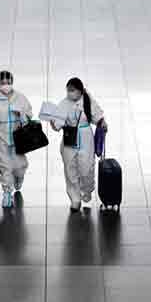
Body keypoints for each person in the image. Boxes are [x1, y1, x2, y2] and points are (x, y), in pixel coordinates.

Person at [49, 78, 106, 212]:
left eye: (72, 90)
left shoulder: (87, 100)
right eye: (68, 90)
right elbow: (57, 124)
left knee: (87, 168)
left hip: (85, 138)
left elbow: (97, 115)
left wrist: (102, 122)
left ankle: (87, 190)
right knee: (70, 170)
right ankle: (75, 199)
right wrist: (53, 123)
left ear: (80, 91)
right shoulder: (64, 104)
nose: (70, 93)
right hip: (69, 139)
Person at [0, 71, 33, 208]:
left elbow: (29, 115)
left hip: (19, 139)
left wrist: (21, 115)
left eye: (8, 83)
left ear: (12, 82)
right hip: (2, 139)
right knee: (5, 167)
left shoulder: (20, 98)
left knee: (20, 166)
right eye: (3, 83)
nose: (6, 85)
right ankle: (6, 193)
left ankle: (19, 177)